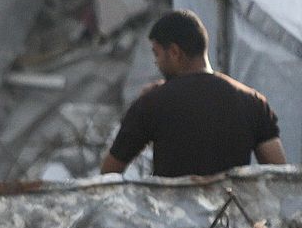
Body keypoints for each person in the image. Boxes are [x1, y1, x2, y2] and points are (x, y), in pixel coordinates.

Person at [101, 9, 286, 178]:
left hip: (172, 205)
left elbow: (109, 173)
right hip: (232, 204)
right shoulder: (253, 102)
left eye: (157, 54)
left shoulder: (152, 102)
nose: (156, 63)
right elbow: (280, 176)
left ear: (174, 52)